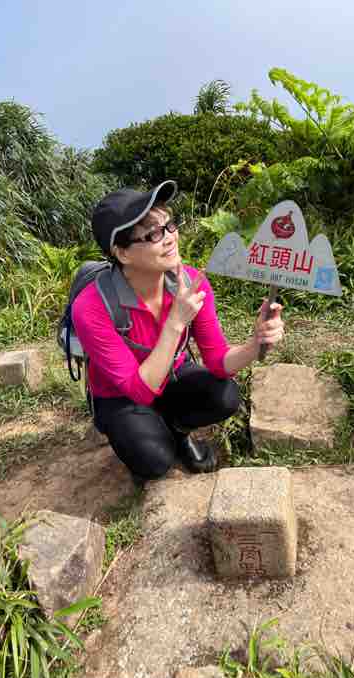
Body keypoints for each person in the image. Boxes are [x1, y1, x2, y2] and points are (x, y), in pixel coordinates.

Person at [72, 180, 284, 482]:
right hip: (123, 395)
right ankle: (148, 436)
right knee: (154, 461)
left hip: (170, 377)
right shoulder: (92, 307)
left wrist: (255, 343)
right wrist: (175, 322)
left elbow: (218, 361)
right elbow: (138, 390)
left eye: (169, 225)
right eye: (153, 234)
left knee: (225, 395)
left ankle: (176, 429)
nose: (170, 238)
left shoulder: (191, 283)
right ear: (123, 253)